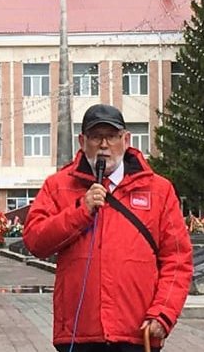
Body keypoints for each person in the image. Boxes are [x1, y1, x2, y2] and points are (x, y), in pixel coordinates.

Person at [23, 104, 193, 352]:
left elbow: (177, 259)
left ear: (126, 140)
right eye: (96, 136)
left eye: (112, 136)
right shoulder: (58, 186)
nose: (104, 145)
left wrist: (163, 313)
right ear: (82, 141)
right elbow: (35, 240)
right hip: (79, 334)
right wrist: (81, 211)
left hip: (136, 333)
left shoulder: (158, 190)